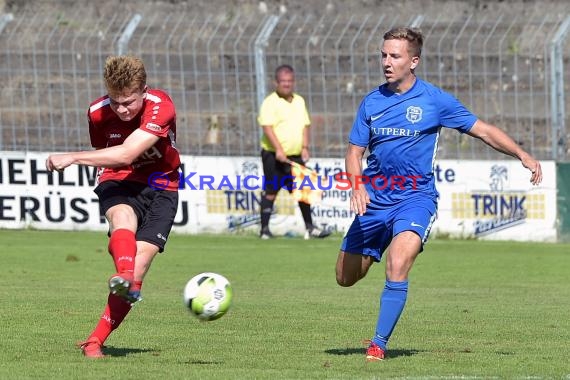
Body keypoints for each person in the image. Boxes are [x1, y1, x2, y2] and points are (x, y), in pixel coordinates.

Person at [335, 27, 543, 361]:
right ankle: (374, 247)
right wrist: (357, 186)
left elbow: (483, 130)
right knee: (344, 278)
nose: (386, 62)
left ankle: (378, 344)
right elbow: (353, 153)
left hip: (415, 198)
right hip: (375, 199)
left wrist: (522, 154)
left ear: (413, 61)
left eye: (395, 56)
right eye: (383, 55)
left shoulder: (434, 100)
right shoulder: (371, 102)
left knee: (398, 262)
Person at [45, 56, 180, 358]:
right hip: (118, 180)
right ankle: (125, 279)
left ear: (144, 90)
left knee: (141, 262)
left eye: (129, 102)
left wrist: (72, 156)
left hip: (162, 185)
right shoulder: (96, 113)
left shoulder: (161, 105)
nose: (122, 109)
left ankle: (95, 340)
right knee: (122, 217)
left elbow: (126, 152)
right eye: (116, 102)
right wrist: (89, 159)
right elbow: (107, 154)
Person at [258, 64, 331, 240]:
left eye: (289, 81)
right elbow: (267, 127)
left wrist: (305, 147)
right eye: (283, 81)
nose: (286, 85)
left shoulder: (299, 100)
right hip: (273, 155)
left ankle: (310, 227)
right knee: (271, 190)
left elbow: (305, 125)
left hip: (295, 156)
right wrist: (279, 150)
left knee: (303, 191)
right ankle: (265, 230)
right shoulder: (270, 102)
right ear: (276, 82)